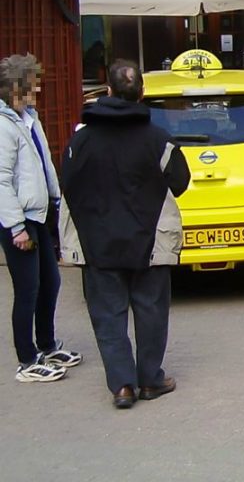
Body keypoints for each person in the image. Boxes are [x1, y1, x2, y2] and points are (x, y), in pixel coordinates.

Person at [59, 59, 190, 409]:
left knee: (108, 316)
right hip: (148, 242)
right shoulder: (158, 140)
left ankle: (122, 387)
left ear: (108, 90)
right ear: (142, 93)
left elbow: (66, 182)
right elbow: (181, 182)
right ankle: (150, 380)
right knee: (151, 311)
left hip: (97, 243)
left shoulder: (80, 141)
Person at [0, 53, 83, 383]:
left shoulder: (28, 118)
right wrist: (15, 226)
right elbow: (1, 181)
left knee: (51, 282)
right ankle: (27, 359)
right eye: (31, 86)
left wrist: (55, 199)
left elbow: (42, 164)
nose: (37, 92)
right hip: (20, 219)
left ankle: (47, 345)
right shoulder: (4, 125)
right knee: (28, 288)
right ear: (15, 88)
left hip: (39, 213)